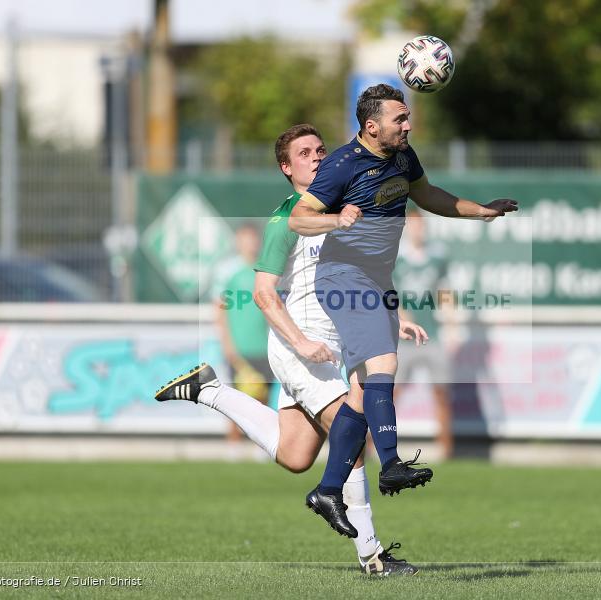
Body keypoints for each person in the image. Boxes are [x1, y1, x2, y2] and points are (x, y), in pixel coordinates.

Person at [155, 123, 426, 576]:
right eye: (304, 153)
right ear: (286, 168)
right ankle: (373, 557)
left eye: (320, 150)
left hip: (337, 346)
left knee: (296, 456)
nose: (316, 157)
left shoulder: (343, 207)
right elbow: (263, 294)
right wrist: (301, 343)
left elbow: (371, 274)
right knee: (353, 436)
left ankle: (208, 390)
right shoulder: (287, 219)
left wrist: (393, 317)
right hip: (301, 348)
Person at [288, 84, 517, 534]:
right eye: (400, 119)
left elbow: (428, 195)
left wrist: (481, 212)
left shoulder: (403, 157)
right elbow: (299, 217)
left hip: (377, 281)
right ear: (372, 126)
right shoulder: (342, 164)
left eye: (407, 117)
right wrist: (336, 218)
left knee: (360, 394)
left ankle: (328, 490)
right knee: (385, 363)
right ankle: (391, 463)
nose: (408, 125)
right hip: (343, 276)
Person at [394, 207, 453, 459]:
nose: (417, 230)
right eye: (413, 225)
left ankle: (446, 449)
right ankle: (377, 446)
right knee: (390, 394)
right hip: (404, 338)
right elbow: (386, 292)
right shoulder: (397, 259)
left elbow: (445, 293)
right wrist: (400, 314)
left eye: (421, 225)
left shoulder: (437, 257)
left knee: (441, 392)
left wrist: (452, 325)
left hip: (432, 335)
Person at [213, 223, 272, 443]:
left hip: (264, 347)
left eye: (253, 239)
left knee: (263, 400)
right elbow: (219, 309)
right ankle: (233, 447)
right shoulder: (228, 270)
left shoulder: (267, 269)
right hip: (240, 348)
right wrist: (227, 344)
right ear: (238, 242)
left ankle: (262, 447)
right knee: (236, 402)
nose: (250, 244)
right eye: (245, 239)